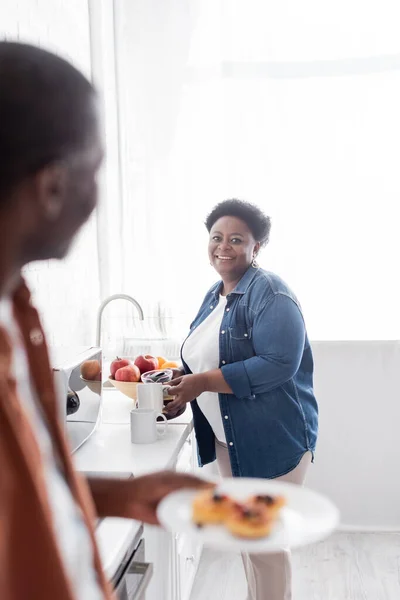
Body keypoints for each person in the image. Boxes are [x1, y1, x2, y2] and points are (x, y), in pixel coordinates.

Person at [0, 41, 209, 600]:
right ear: (51, 186)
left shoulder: (16, 311)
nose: (97, 198)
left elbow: (20, 493)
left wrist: (119, 498)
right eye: (95, 170)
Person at [165, 199, 319, 600]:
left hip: (271, 439)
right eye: (217, 237)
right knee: (246, 539)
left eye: (236, 239)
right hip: (229, 439)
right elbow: (205, 356)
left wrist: (201, 384)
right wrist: (186, 384)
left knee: (265, 545)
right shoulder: (216, 294)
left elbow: (278, 363)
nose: (224, 246)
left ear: (257, 247)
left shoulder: (271, 293)